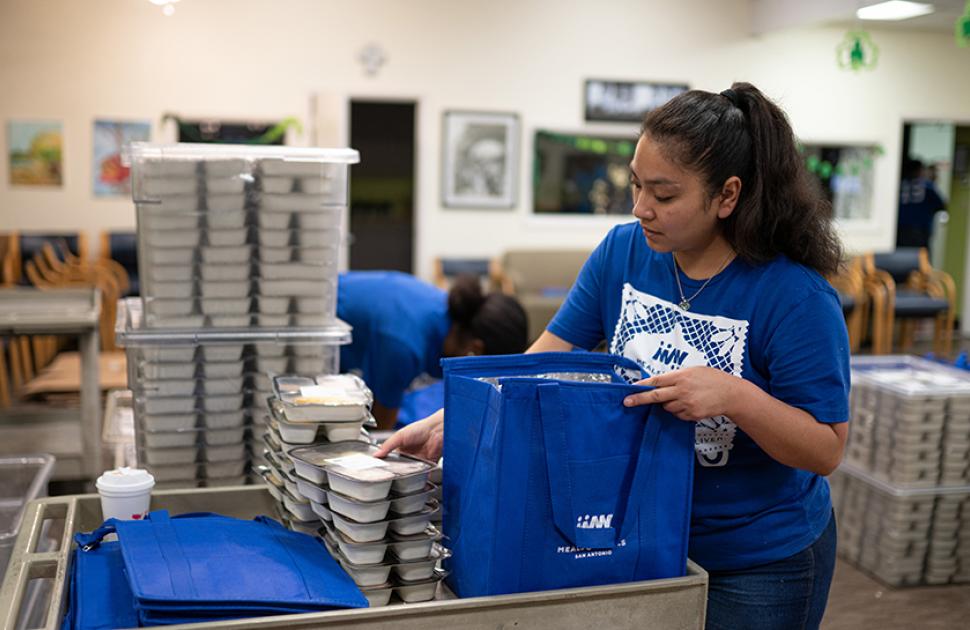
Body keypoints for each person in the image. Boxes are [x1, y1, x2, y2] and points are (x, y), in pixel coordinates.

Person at [377, 82, 850, 630]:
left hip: (758, 561)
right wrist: (452, 419)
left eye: (664, 195)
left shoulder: (794, 298)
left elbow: (825, 448)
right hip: (640, 536)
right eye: (635, 185)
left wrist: (733, 395)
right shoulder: (622, 253)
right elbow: (543, 358)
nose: (641, 207)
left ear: (727, 196)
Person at [338, 270, 528, 430]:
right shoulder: (405, 347)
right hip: (317, 331)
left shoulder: (447, 311)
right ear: (475, 349)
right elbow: (378, 433)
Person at [896, 157, 946, 248]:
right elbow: (941, 205)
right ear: (919, 170)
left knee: (901, 255)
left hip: (900, 228)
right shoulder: (927, 186)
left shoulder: (898, 184)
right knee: (921, 258)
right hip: (920, 229)